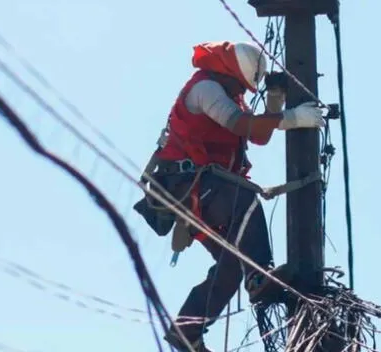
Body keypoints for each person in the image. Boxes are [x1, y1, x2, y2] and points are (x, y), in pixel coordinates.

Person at [133, 41, 325, 352]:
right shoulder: (205, 89)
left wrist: (275, 100)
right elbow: (239, 124)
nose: (243, 90)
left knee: (232, 263)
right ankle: (259, 275)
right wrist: (294, 118)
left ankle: (186, 332)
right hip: (190, 185)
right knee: (245, 198)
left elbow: (259, 134)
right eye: (240, 83)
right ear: (228, 71)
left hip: (199, 192)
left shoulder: (229, 93)